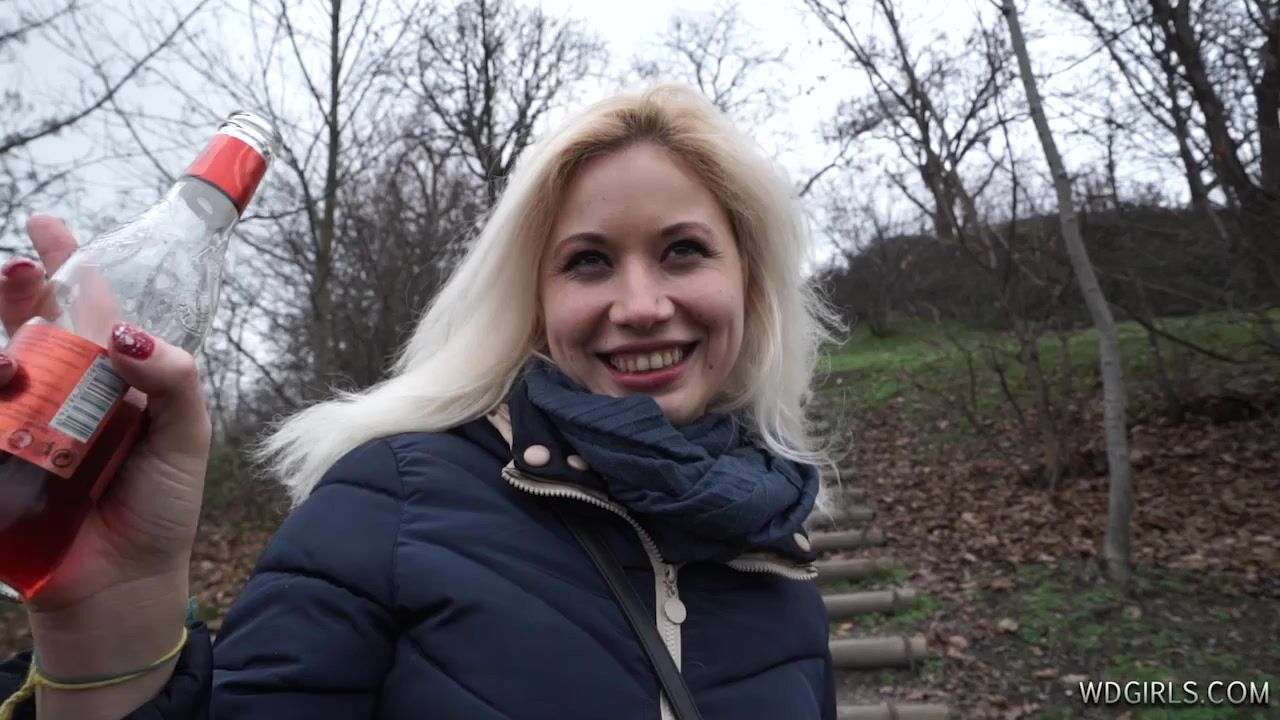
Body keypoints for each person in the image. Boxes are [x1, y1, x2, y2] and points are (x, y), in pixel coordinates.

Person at [0, 83, 844, 720]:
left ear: (750, 282)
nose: (641, 305)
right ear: (535, 302)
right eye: (588, 261)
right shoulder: (390, 500)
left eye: (684, 250)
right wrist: (107, 631)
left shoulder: (776, 556)